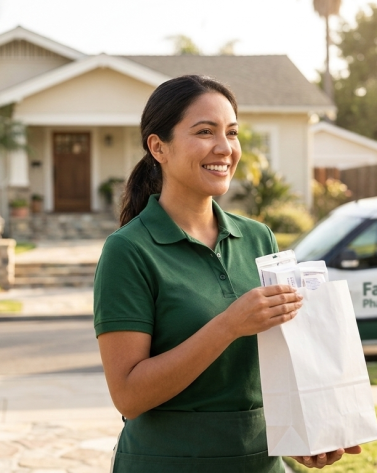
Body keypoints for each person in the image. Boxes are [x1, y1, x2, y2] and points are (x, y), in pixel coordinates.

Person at [94, 75, 361, 472]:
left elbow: (279, 367)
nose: (225, 148)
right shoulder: (128, 251)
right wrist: (229, 325)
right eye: (205, 132)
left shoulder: (258, 238)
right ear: (158, 146)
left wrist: (304, 433)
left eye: (232, 133)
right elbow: (129, 395)